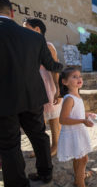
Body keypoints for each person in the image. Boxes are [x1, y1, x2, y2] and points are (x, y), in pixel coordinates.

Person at [0, 0, 63, 186]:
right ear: (11, 12)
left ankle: (18, 183)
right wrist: (65, 69)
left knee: (10, 144)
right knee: (39, 135)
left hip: (4, 100)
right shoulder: (34, 37)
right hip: (32, 96)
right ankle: (46, 173)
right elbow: (52, 65)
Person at [23, 18, 62, 157]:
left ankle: (55, 146)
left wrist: (57, 88)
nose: (23, 31)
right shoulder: (27, 46)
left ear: (37, 29)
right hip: (34, 84)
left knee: (53, 117)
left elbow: (54, 68)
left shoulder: (48, 45)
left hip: (47, 84)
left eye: (26, 28)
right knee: (39, 119)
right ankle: (41, 148)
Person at [57, 67, 94, 187]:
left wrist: (86, 115)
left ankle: (79, 176)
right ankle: (80, 182)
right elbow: (62, 119)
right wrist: (83, 120)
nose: (79, 78)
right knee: (83, 159)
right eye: (74, 76)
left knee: (79, 158)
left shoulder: (77, 95)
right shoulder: (69, 99)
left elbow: (74, 113)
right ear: (64, 82)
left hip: (78, 132)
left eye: (80, 76)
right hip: (73, 133)